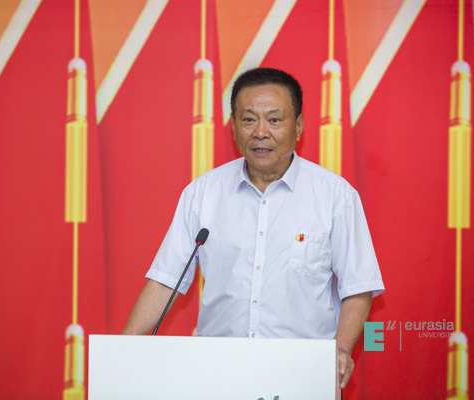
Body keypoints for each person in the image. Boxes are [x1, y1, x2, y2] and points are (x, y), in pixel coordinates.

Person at [122, 67, 385, 389]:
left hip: (303, 373)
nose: (261, 132)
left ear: (298, 126)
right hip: (219, 373)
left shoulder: (335, 196)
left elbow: (358, 287)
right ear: (233, 127)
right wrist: (121, 351)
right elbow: (166, 281)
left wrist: (341, 350)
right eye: (248, 119)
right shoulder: (203, 193)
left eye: (274, 120)